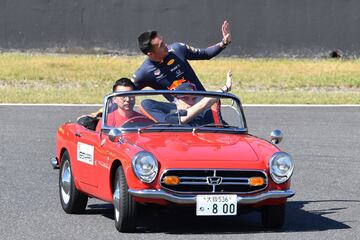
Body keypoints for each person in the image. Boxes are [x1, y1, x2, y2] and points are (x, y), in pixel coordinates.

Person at [133, 21, 232, 91]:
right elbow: (125, 93)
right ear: (150, 54)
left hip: (205, 104)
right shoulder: (143, 73)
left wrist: (224, 42)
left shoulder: (178, 49)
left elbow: (205, 54)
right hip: (184, 116)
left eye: (163, 42)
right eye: (161, 46)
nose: (166, 45)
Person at [140, 71, 232, 126]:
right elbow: (146, 104)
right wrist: (225, 89)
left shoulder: (205, 114)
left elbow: (225, 130)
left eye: (193, 99)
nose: (190, 103)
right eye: (186, 98)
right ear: (177, 100)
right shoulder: (170, 116)